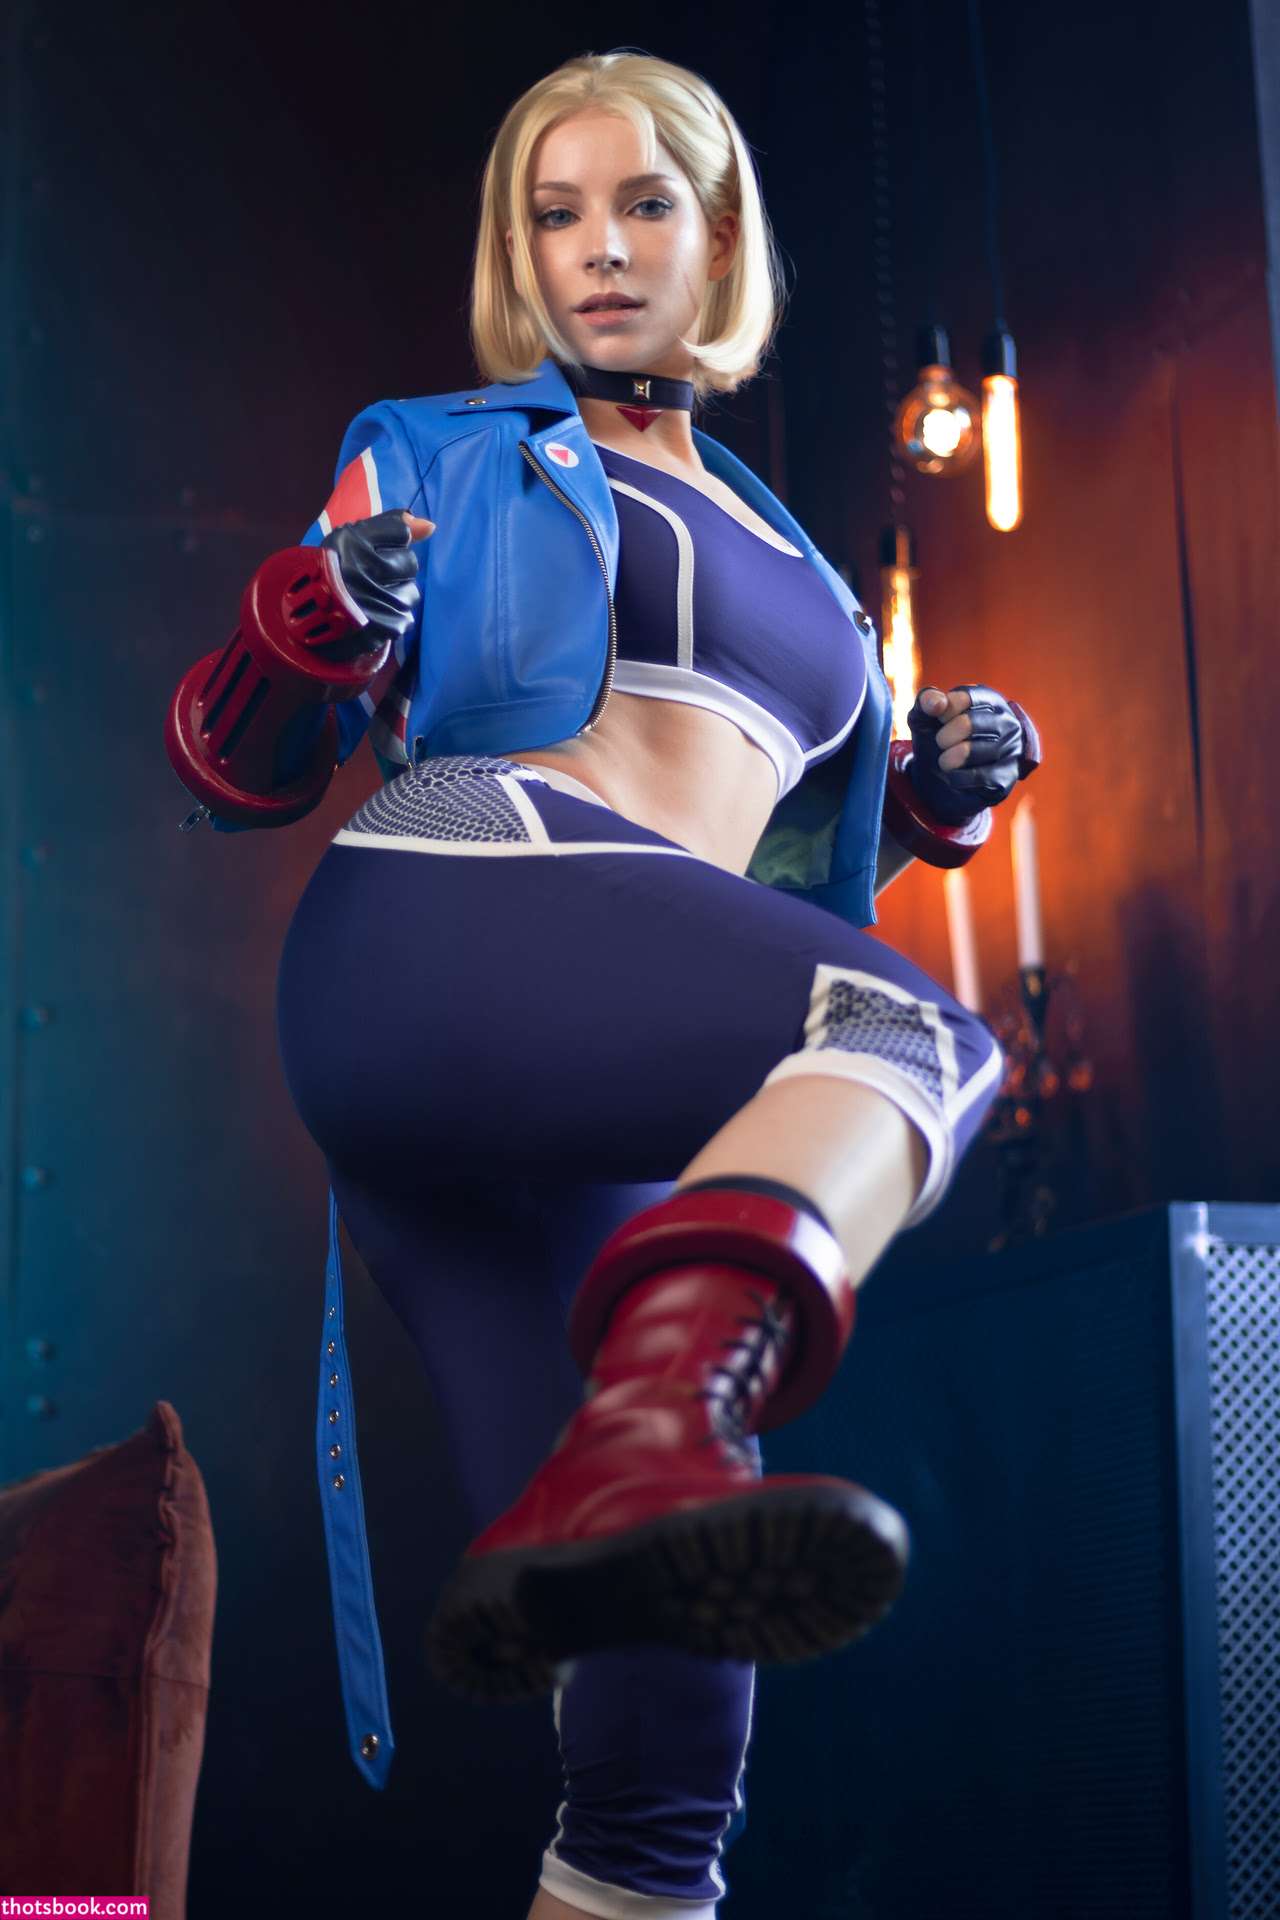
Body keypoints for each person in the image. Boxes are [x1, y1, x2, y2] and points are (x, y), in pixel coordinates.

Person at [167, 48, 1039, 1920]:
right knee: (910, 1034)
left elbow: (751, 901)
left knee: (662, 1725)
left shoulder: (804, 557)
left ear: (716, 233)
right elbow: (239, 764)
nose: (600, 249)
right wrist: (310, 622)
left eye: (642, 204)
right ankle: (673, 1397)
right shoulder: (441, 448)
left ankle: (653, 1442)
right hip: (446, 913)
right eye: (554, 215)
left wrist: (920, 803)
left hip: (574, 1071)